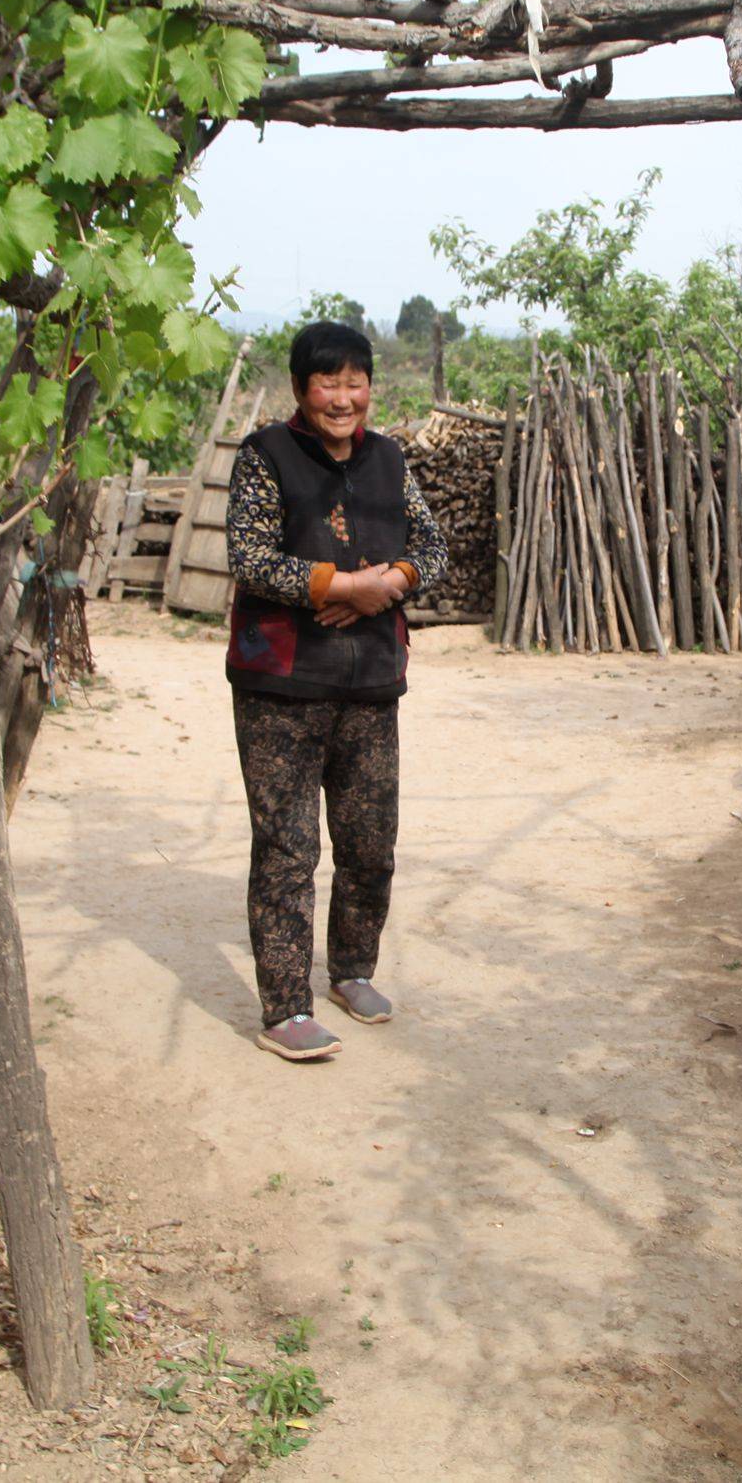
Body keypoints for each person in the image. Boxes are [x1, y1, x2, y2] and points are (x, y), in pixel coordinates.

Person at [223, 320, 448, 1061]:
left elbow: (432, 545)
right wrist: (338, 582)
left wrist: (385, 586)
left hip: (371, 680)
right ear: (300, 388)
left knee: (369, 842)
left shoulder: (388, 459)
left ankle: (352, 969)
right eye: (330, 382)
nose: (345, 398)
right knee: (287, 847)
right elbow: (251, 557)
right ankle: (286, 1007)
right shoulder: (265, 456)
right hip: (281, 684)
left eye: (357, 382)